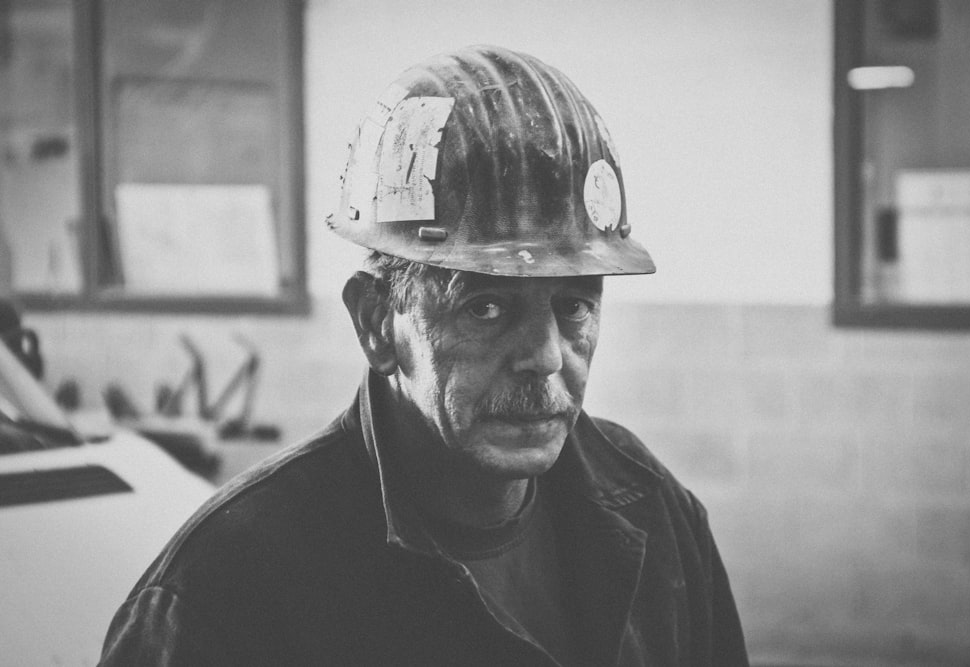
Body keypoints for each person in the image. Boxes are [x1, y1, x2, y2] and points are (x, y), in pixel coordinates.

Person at [99, 45, 748, 666]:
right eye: (486, 307)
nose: (546, 356)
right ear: (378, 322)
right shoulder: (225, 591)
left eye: (573, 305)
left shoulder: (657, 517)